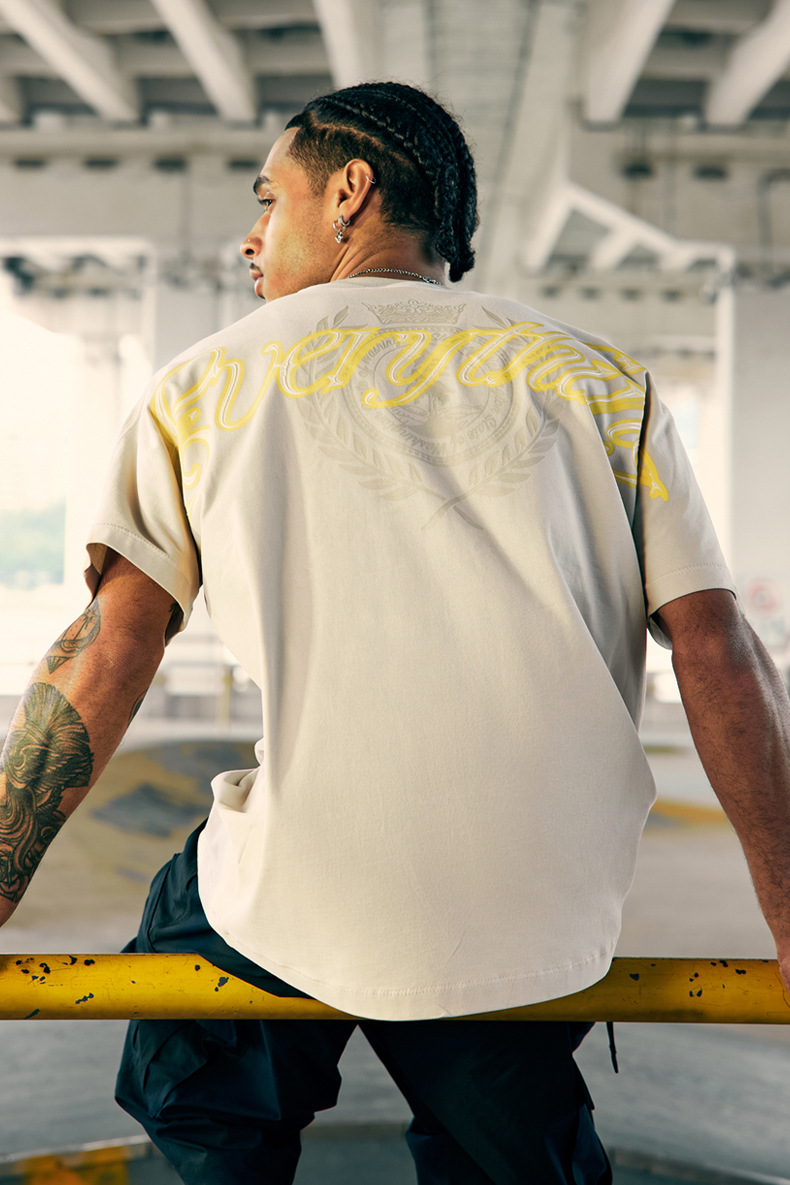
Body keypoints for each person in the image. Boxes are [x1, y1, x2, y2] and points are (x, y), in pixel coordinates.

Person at [1, 80, 790, 1185]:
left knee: (198, 1079)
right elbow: (719, 651)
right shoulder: (602, 381)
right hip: (533, 910)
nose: (249, 236)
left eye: (269, 198)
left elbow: (112, 650)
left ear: (349, 193)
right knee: (508, 1138)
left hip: (304, 892)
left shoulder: (206, 383)